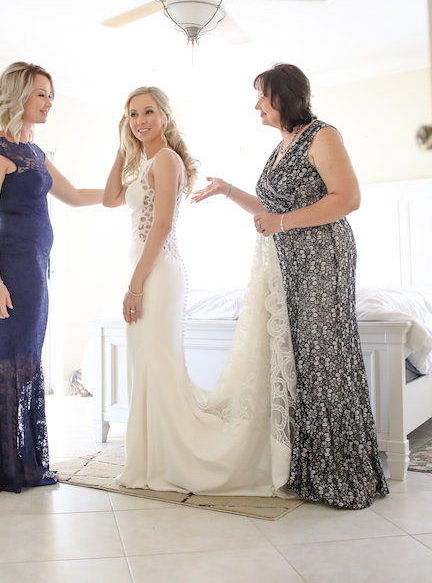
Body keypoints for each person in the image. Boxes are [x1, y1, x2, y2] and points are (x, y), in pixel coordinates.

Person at [191, 63, 389, 509]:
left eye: (262, 95)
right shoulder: (282, 146)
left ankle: (343, 474)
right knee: (300, 358)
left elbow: (347, 198)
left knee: (325, 356)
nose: (256, 105)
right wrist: (227, 191)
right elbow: (269, 208)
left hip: (323, 255)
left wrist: (281, 222)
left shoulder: (323, 135)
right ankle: (311, 469)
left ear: (284, 96)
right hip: (289, 260)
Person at [103, 86, 294, 496]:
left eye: (149, 112)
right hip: (145, 271)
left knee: (157, 363)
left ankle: (172, 459)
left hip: (156, 274)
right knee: (146, 365)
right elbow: (109, 198)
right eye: (133, 115)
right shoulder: (142, 162)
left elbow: (162, 225)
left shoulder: (167, 159)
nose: (141, 121)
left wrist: (135, 285)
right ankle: (149, 459)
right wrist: (122, 144)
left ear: (165, 117)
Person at [0, 62, 102, 493]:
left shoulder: (33, 150)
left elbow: (72, 196)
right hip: (12, 267)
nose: (49, 102)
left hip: (36, 267)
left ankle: (4, 457)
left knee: (25, 360)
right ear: (18, 96)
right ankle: (9, 465)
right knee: (12, 360)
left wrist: (124, 189)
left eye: (51, 95)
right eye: (41, 94)